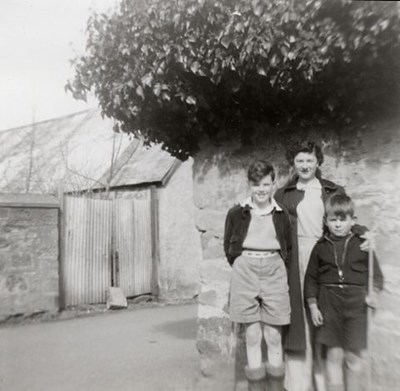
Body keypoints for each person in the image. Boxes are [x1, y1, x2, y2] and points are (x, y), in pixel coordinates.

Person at [274, 141, 344, 391]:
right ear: (293, 163)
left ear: (318, 162)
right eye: (300, 161)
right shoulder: (283, 194)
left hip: (324, 258)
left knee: (323, 317)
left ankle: (323, 383)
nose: (305, 165)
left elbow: (344, 217)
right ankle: (297, 384)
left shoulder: (332, 190)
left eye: (309, 160)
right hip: (296, 262)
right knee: (299, 321)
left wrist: (362, 233)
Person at [224, 160, 292, 391]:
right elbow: (229, 247)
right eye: (256, 184)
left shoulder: (282, 214)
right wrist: (243, 262)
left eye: (266, 184)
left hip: (273, 269)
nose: (261, 189)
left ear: (273, 184)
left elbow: (288, 248)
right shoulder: (237, 213)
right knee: (252, 336)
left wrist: (274, 265)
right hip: (245, 270)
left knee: (273, 336)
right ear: (249, 185)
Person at [304, 194, 383, 391]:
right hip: (329, 304)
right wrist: (314, 307)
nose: (338, 224)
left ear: (352, 221)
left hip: (356, 306)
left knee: (353, 356)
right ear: (326, 221)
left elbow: (377, 276)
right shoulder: (320, 247)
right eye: (333, 220)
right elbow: (311, 279)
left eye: (342, 219)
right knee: (334, 354)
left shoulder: (363, 244)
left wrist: (373, 293)